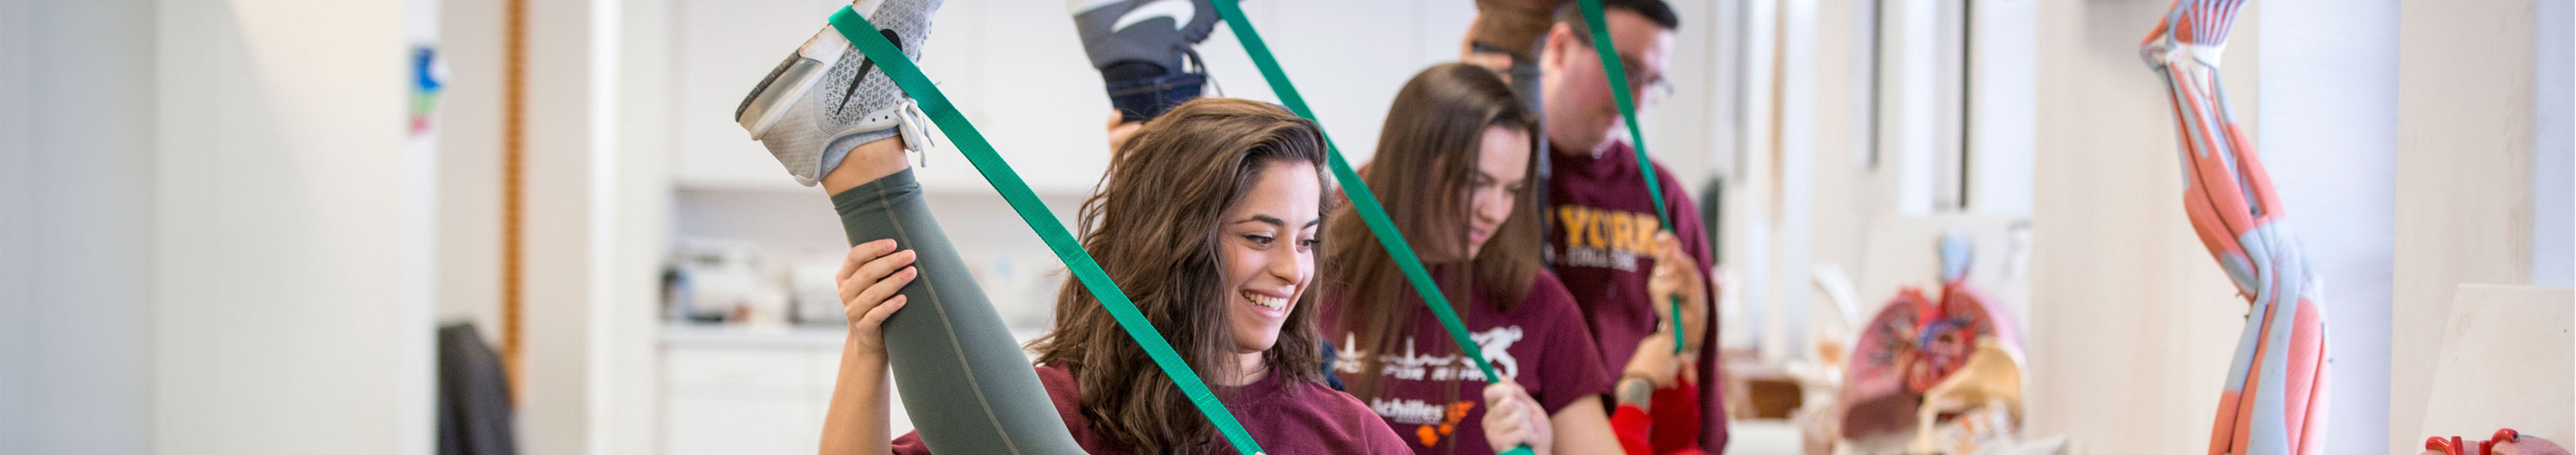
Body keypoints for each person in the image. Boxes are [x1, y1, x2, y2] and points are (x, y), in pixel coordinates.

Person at [1320, 63, 1637, 455]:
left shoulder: (1538, 301)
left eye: (1511, 189)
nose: (1496, 211)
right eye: (1478, 184)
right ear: (1413, 168)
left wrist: (1543, 448)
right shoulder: (1311, 281)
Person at [1530, 0, 1728, 451]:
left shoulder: (1662, 196)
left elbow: (1702, 351)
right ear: (1560, 48)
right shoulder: (1499, 179)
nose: (1636, 100)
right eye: (1626, 71)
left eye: (1651, 81)